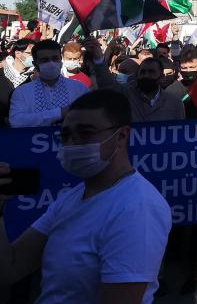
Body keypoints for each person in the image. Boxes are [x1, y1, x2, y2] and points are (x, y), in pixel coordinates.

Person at [0, 90, 171, 303]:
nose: (71, 143)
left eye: (85, 133)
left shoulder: (137, 208)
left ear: (121, 136)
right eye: (65, 135)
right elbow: (11, 267)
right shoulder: (73, 197)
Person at [9, 39, 89, 128]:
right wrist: (59, 113)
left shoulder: (79, 89)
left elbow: (90, 118)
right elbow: (16, 122)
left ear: (61, 61)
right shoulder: (22, 92)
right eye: (45, 60)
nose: (51, 63)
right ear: (35, 64)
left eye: (55, 59)